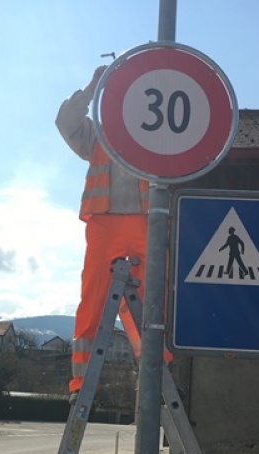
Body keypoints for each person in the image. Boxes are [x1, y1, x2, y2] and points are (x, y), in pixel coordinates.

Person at [56, 66, 171, 398]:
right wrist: (91, 88)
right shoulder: (98, 135)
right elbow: (65, 121)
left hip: (146, 223)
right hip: (105, 224)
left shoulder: (153, 136)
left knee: (154, 301)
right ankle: (81, 384)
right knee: (93, 300)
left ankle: (156, 374)